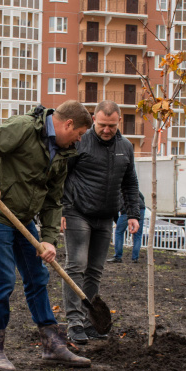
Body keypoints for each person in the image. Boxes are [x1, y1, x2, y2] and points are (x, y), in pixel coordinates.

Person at [0, 100, 93, 371]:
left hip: (23, 218)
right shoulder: (25, 128)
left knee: (37, 277)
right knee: (4, 280)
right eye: (80, 133)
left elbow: (53, 200)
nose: (80, 139)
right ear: (68, 124)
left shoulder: (62, 153)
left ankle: (52, 345)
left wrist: (48, 238)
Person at [60, 100, 140, 345]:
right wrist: (61, 209)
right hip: (77, 212)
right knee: (76, 266)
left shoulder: (125, 147)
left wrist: (133, 214)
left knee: (94, 270)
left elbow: (130, 182)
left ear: (119, 121)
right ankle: (74, 322)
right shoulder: (80, 141)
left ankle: (89, 322)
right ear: (94, 119)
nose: (107, 130)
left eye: (112, 126)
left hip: (105, 216)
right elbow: (61, 174)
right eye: (103, 124)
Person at [108, 191, 147, 263]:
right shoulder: (131, 187)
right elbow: (142, 196)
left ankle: (118, 257)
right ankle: (135, 258)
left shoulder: (115, 190)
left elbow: (114, 210)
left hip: (127, 209)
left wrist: (117, 222)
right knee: (138, 234)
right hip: (140, 208)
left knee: (119, 232)